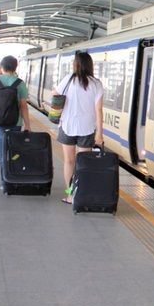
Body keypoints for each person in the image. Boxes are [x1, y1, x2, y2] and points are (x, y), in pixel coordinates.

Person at [53, 51, 103, 204]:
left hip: (67, 125)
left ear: (76, 65)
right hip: (87, 128)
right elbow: (98, 109)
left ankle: (70, 195)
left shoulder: (69, 79)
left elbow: (54, 94)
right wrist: (99, 133)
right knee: (83, 163)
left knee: (69, 161)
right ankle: (81, 194)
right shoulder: (96, 83)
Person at [0, 56, 31, 187]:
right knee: (14, 152)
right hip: (15, 123)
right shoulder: (19, 83)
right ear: (15, 67)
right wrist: (27, 125)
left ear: (1, 67)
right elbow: (23, 106)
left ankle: (4, 183)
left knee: (2, 153)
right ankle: (14, 181)